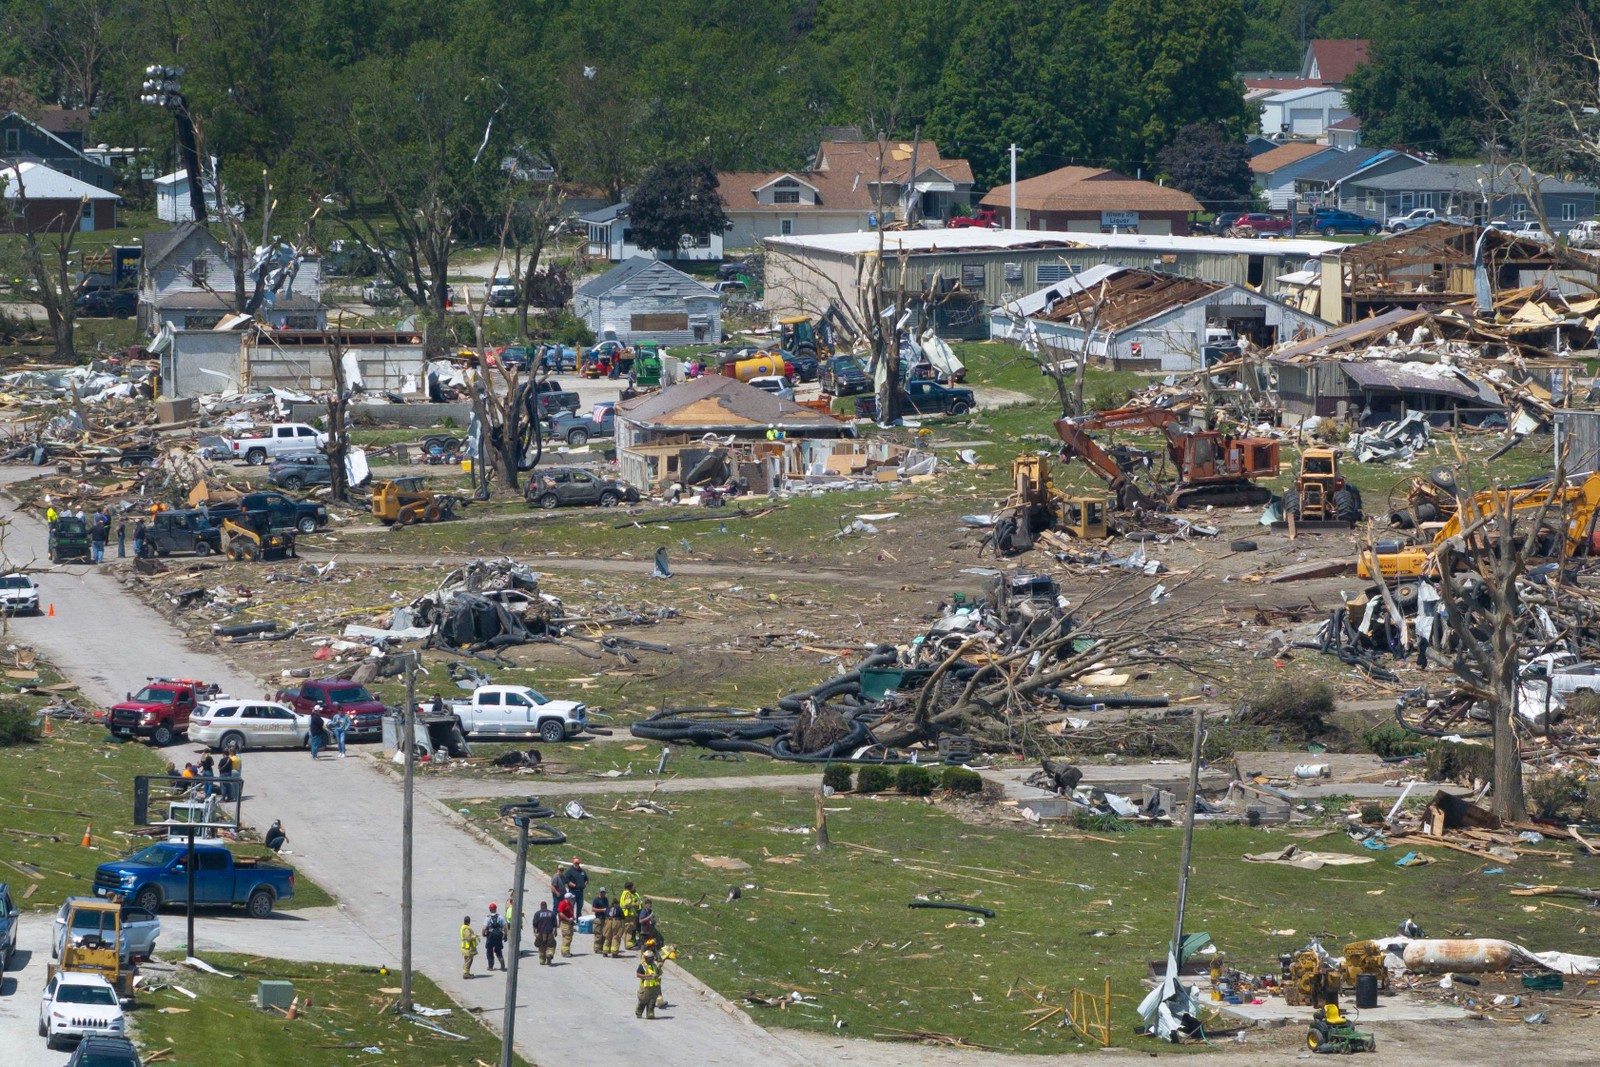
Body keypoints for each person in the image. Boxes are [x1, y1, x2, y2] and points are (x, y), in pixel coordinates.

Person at [636, 948, 662, 1020]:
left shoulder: (654, 965)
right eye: (647, 958)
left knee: (652, 1001)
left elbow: (659, 973)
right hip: (645, 987)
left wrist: (658, 972)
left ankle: (650, 1013)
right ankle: (639, 1011)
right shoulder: (642, 966)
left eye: (650, 958)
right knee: (643, 1000)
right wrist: (647, 976)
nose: (649, 959)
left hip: (654, 987)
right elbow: (638, 975)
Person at [531, 899, 557, 965]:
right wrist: (555, 932)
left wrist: (535, 933)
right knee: (551, 946)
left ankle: (542, 960)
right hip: (549, 933)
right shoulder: (552, 913)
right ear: (546, 906)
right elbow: (555, 925)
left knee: (541, 946)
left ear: (541, 906)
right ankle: (549, 954)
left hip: (540, 933)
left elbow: (534, 924)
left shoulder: (537, 913)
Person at [483, 903, 508, 971]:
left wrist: (483, 934)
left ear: (490, 909)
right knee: (498, 950)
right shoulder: (500, 917)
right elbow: (505, 927)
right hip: (498, 936)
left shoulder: (488, 918)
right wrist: (506, 935)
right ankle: (501, 959)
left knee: (489, 951)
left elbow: (484, 928)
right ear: (496, 909)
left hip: (490, 936)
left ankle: (490, 966)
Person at [602, 892, 625, 957]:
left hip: (608, 921)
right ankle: (614, 952)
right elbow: (623, 917)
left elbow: (605, 915)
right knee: (616, 937)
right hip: (616, 921)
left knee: (607, 937)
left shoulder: (608, 908)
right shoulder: (618, 908)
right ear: (617, 903)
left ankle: (605, 952)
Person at [620, 882, 641, 949]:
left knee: (626, 929)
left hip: (625, 914)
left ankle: (627, 943)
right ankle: (628, 945)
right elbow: (628, 904)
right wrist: (635, 904)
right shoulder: (628, 894)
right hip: (628, 914)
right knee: (629, 930)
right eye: (633, 887)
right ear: (629, 887)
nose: (634, 888)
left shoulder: (624, 893)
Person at [556, 891, 577, 957]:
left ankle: (566, 950)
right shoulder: (562, 904)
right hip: (565, 923)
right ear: (568, 898)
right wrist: (568, 919)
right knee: (567, 937)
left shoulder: (569, 903)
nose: (572, 899)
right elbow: (560, 913)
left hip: (569, 922)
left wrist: (573, 917)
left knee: (569, 937)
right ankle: (565, 952)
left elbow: (570, 912)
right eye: (571, 898)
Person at [591, 888, 611, 955]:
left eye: (603, 892)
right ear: (599, 892)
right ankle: (597, 948)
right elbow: (593, 909)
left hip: (605, 919)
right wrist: (602, 910)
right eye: (601, 892)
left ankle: (602, 947)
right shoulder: (596, 900)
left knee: (604, 934)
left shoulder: (605, 899)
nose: (602, 893)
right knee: (598, 934)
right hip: (598, 919)